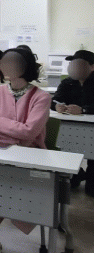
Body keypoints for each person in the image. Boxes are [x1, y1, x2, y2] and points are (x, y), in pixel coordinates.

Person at [0, 47, 51, 253]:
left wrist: (0, 122)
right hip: (0, 150)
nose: (5, 67)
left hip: (30, 153)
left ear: (25, 66)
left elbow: (30, 132)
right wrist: (14, 133)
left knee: (9, 187)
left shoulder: (41, 97)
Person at [51, 49, 94, 194]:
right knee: (71, 183)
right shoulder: (67, 82)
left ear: (91, 66)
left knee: (91, 191)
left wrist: (84, 110)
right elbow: (54, 99)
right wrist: (57, 106)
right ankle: (78, 174)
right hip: (70, 128)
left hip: (91, 129)